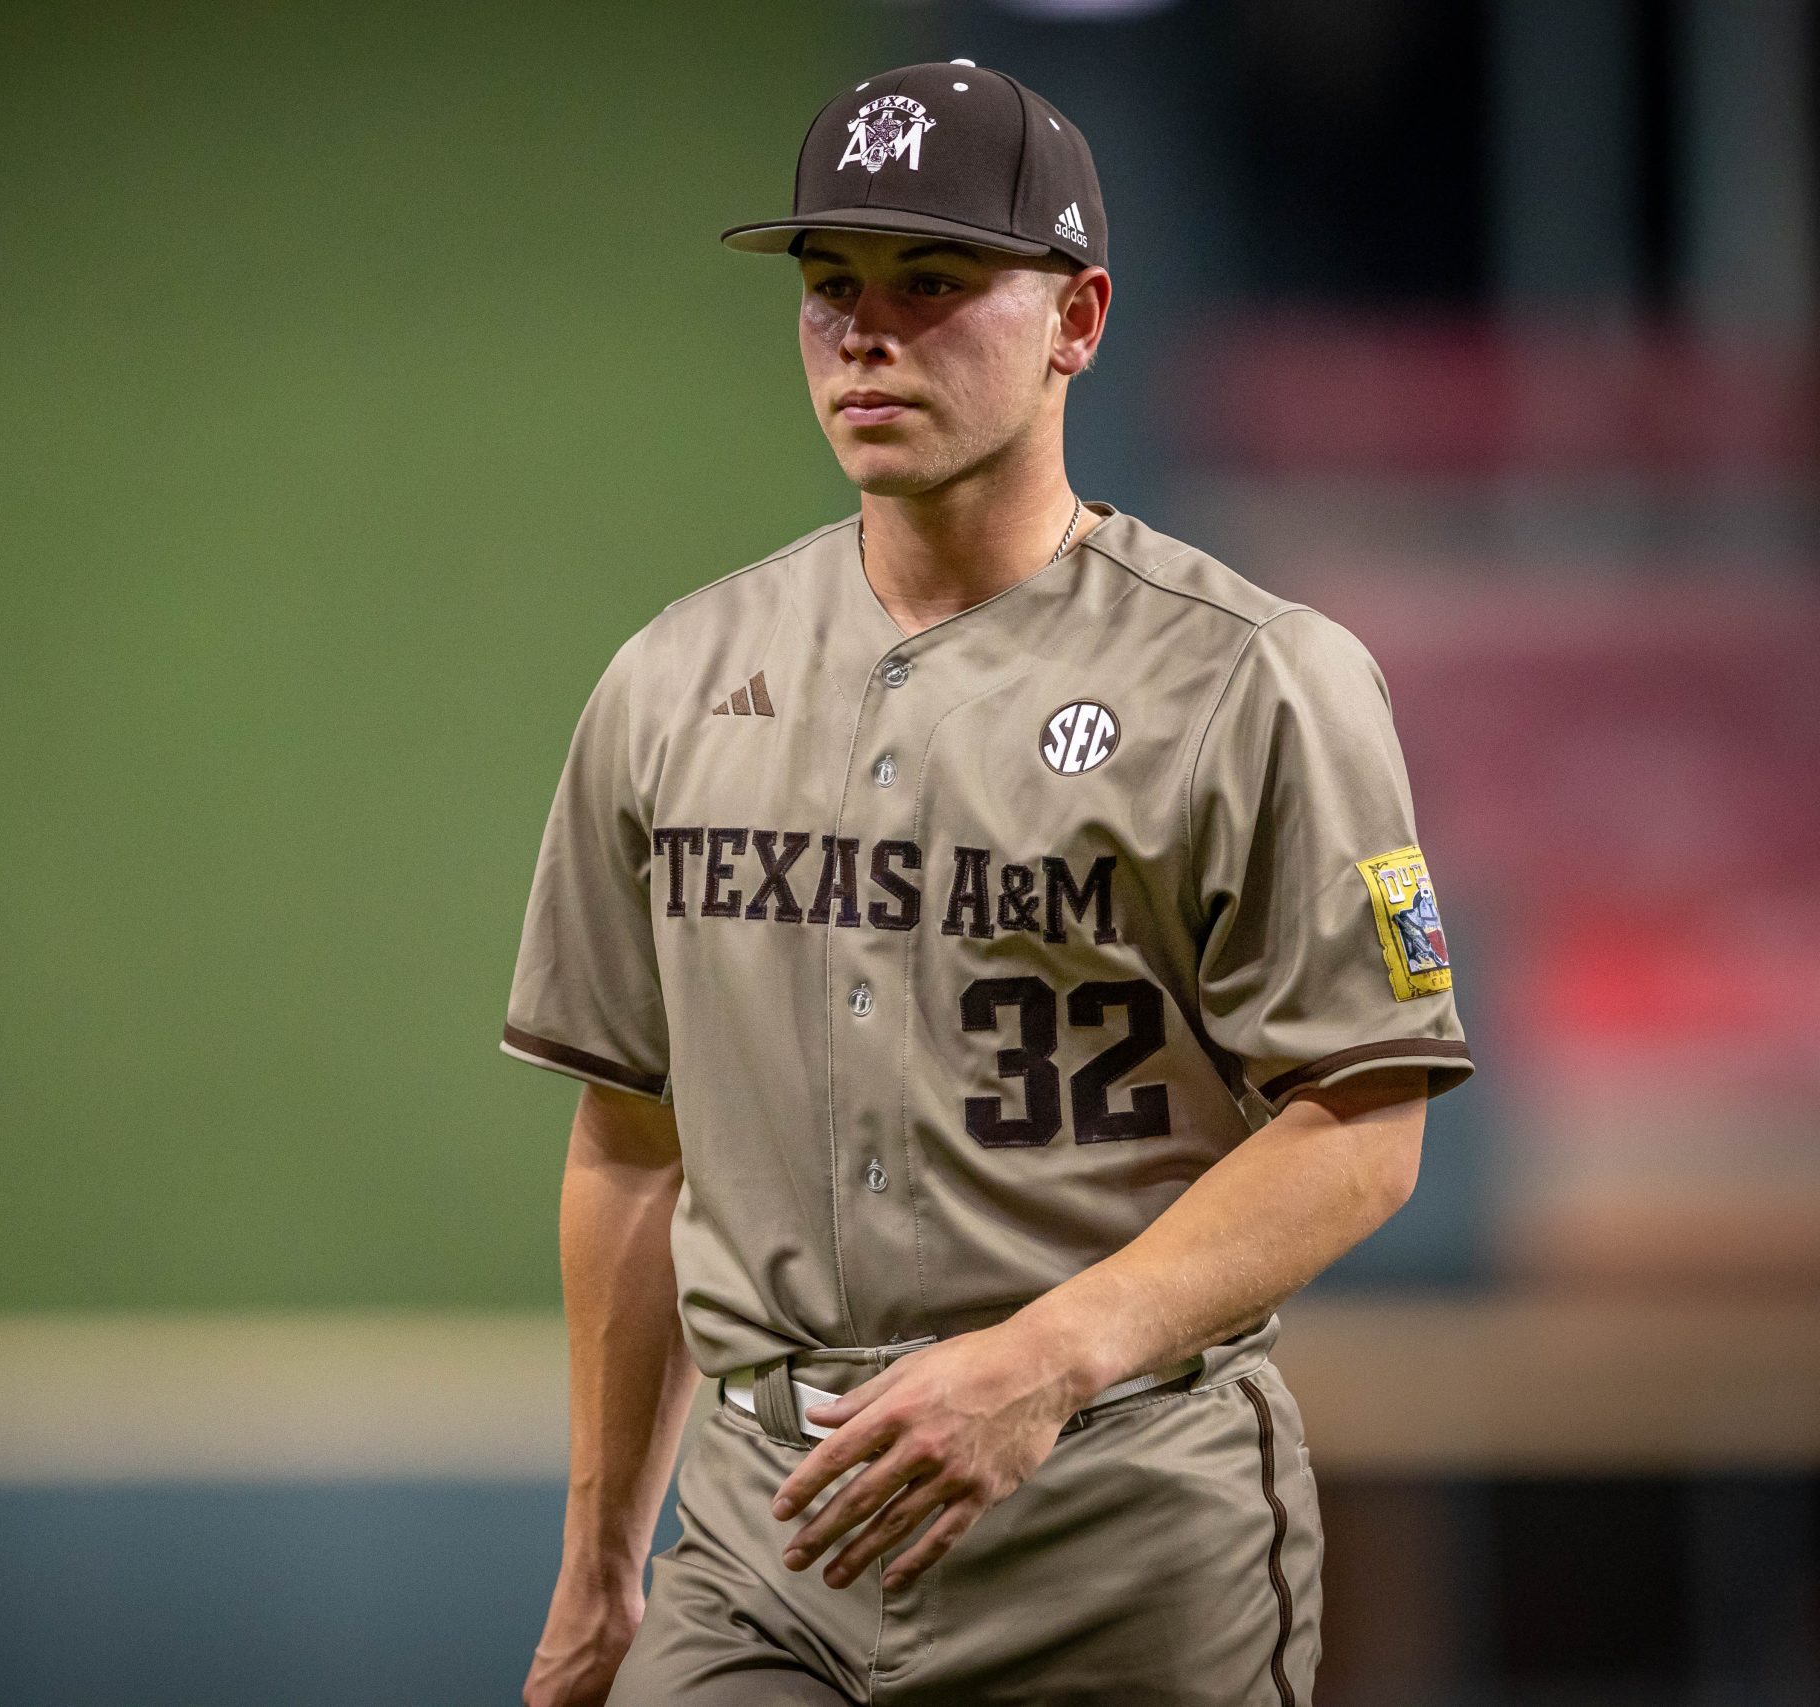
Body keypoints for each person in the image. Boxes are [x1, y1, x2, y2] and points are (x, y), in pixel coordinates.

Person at [499, 59, 1473, 1706]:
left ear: (1077, 319)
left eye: (933, 282)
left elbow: (1365, 1123)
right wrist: (602, 1564)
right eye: (831, 289)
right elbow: (628, 1146)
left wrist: (1046, 1359)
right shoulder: (671, 681)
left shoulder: (1258, 678)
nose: (866, 333)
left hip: (1115, 1529)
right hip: (765, 1547)